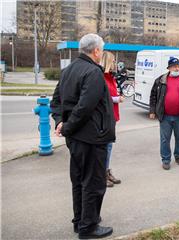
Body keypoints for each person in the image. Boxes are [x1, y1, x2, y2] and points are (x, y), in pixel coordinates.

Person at [50, 33, 115, 239]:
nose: (101, 53)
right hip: (91, 137)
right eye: (101, 50)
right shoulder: (93, 72)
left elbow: (57, 101)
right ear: (96, 51)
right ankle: (88, 227)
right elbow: (84, 107)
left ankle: (81, 220)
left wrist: (60, 121)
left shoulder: (68, 70)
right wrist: (66, 126)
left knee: (79, 180)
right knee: (93, 183)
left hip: (76, 138)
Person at [149, 57, 179, 170]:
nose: (177, 68)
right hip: (165, 115)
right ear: (169, 68)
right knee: (164, 139)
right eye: (174, 66)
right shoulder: (160, 80)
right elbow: (153, 96)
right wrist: (152, 110)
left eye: (178, 66)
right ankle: (166, 160)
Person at [100, 51, 123, 188]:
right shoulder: (101, 77)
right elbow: (101, 97)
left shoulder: (111, 77)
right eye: (113, 61)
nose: (115, 64)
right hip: (105, 117)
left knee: (109, 146)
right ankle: (102, 174)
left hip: (112, 116)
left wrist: (117, 95)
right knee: (105, 147)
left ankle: (106, 171)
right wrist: (116, 99)